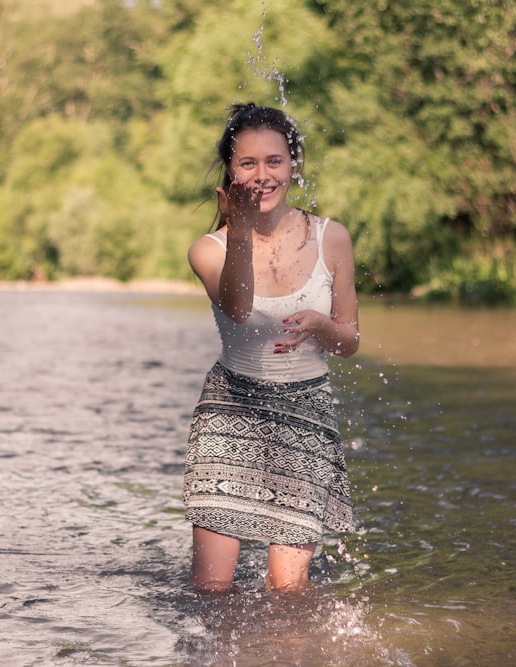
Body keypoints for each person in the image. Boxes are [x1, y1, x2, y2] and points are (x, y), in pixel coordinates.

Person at [184, 102, 360, 593]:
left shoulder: (333, 238)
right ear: (230, 173)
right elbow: (238, 308)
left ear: (293, 166)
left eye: (275, 161)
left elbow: (350, 342)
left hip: (306, 415)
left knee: (287, 593)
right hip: (230, 410)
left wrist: (324, 326)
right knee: (212, 591)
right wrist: (239, 230)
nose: (262, 175)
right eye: (248, 163)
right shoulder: (209, 249)